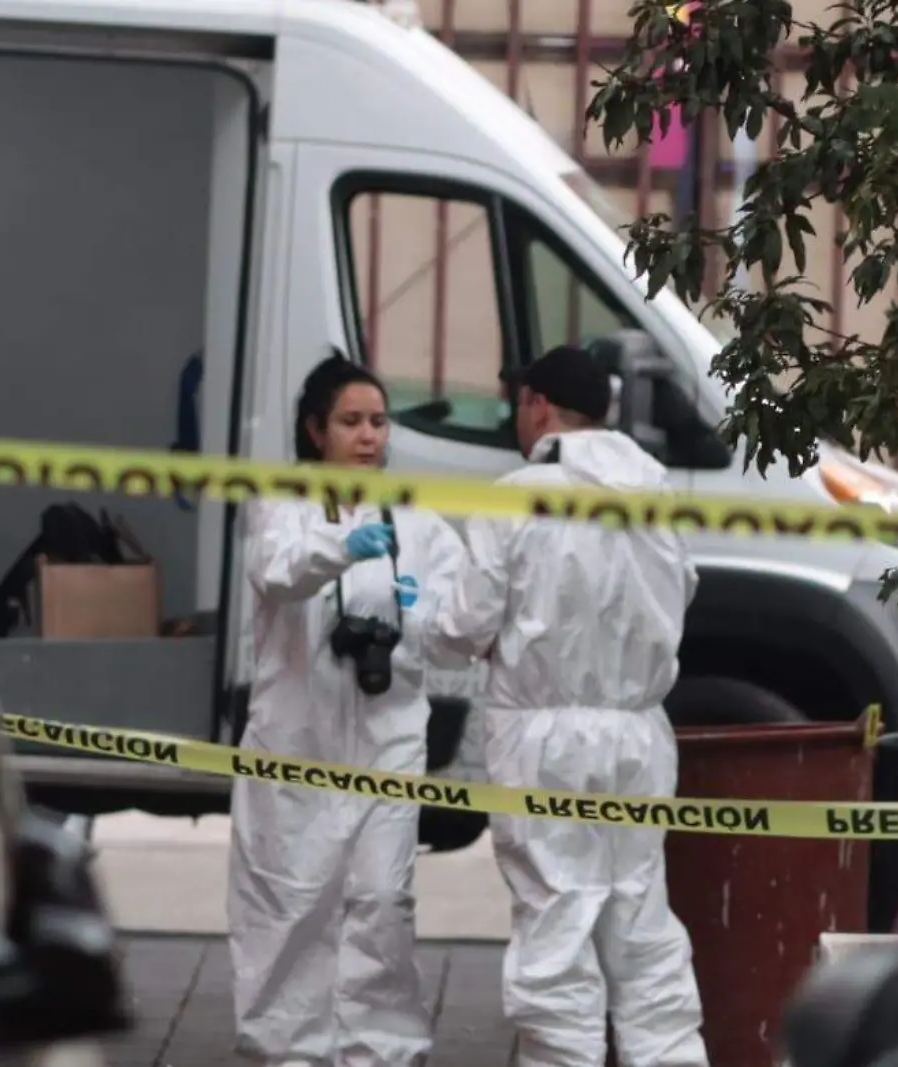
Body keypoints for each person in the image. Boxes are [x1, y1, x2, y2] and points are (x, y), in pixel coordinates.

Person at [424, 344, 709, 1067]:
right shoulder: (657, 494)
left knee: (556, 930)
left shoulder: (516, 497)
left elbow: (461, 627)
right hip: (640, 735)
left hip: (542, 738)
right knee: (641, 926)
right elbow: (684, 592)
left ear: (537, 405)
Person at [228, 355, 470, 1067]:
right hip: (295, 739)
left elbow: (453, 610)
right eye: (351, 421)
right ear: (315, 430)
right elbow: (279, 570)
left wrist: (424, 620)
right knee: (290, 899)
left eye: (377, 421)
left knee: (382, 898)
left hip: (388, 734)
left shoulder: (414, 518)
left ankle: (381, 1048)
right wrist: (342, 546)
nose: (368, 436)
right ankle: (288, 1047)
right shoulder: (283, 503)